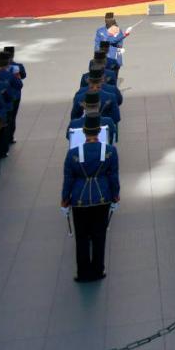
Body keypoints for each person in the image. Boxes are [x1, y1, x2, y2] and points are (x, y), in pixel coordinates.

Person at [61, 115, 118, 282]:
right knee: (99, 235)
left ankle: (83, 272)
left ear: (84, 132)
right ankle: (98, 270)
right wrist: (115, 195)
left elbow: (68, 179)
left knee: (82, 237)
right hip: (102, 197)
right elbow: (113, 176)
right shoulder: (110, 151)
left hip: (80, 199)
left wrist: (65, 198)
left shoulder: (72, 154)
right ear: (100, 131)